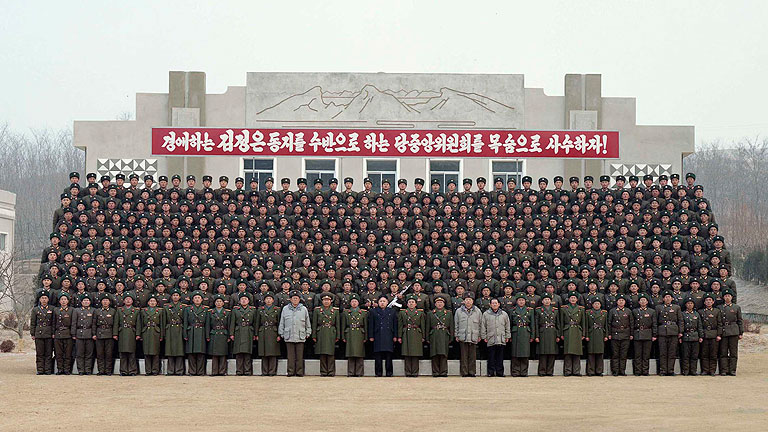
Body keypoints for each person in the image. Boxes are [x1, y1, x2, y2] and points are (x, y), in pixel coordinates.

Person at [279, 291, 312, 377]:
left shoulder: (303, 309)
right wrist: (281, 333)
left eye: (296, 298)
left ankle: (299, 372)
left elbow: (307, 322)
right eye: (293, 298)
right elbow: (282, 322)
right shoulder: (285, 309)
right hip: (289, 334)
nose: (295, 300)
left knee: (299, 356)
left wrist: (308, 332)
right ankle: (290, 371)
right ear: (290, 299)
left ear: (299, 299)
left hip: (300, 334)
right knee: (290, 356)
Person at [368, 295, 398, 377]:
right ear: (378, 302)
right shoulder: (373, 311)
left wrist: (395, 335)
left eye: (384, 301)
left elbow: (395, 324)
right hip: (377, 334)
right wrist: (371, 336)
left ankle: (389, 372)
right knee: (378, 355)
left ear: (387, 302)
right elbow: (371, 324)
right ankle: (378, 372)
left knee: (389, 355)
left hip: (389, 334)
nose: (382, 303)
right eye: (381, 301)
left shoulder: (392, 311)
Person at [312, 292, 341, 377]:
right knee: (322, 353)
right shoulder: (317, 310)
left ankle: (331, 371)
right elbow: (314, 323)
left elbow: (337, 324)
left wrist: (338, 335)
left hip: (331, 332)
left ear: (331, 301)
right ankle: (323, 371)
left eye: (328, 300)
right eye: (324, 300)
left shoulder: (335, 311)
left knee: (331, 353)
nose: (326, 301)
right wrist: (314, 335)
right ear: (322, 301)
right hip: (321, 332)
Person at [481, 298, 511, 377]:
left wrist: (507, 336)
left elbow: (507, 326)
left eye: (496, 303)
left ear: (499, 304)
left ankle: (500, 372)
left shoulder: (504, 314)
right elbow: (483, 326)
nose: (494, 304)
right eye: (493, 303)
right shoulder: (486, 314)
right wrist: (484, 336)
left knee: (500, 357)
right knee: (491, 357)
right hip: (490, 337)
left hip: (501, 338)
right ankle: (490, 372)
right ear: (490, 305)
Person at [656, 290, 683, 376]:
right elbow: (655, 321)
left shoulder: (676, 307)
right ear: (663, 299)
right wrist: (655, 332)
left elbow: (680, 320)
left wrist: (680, 331)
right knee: (662, 352)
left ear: (672, 298)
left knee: (672, 352)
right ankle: (663, 370)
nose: (667, 299)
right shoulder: (658, 308)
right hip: (662, 332)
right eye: (666, 297)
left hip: (673, 331)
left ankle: (670, 370)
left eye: (669, 297)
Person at [398, 295, 427, 377]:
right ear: (407, 304)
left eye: (413, 302)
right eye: (409, 302)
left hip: (416, 333)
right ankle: (408, 372)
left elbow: (423, 325)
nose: (411, 304)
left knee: (415, 353)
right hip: (406, 333)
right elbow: (400, 325)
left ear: (416, 304)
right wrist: (399, 336)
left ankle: (414, 372)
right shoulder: (402, 313)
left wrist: (423, 336)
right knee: (406, 353)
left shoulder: (420, 313)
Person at [454, 294, 482, 377]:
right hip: (463, 335)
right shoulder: (459, 311)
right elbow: (456, 324)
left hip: (474, 335)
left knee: (473, 355)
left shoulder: (477, 311)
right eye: (466, 299)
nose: (468, 301)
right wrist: (456, 335)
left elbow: (480, 324)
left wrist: (480, 335)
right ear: (464, 301)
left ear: (473, 301)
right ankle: (464, 372)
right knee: (463, 355)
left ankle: (472, 372)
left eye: (470, 300)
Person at [230, 293, 258, 376]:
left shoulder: (253, 310)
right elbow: (232, 322)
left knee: (247, 352)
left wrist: (255, 334)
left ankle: (247, 370)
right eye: (242, 299)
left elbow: (255, 323)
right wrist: (231, 333)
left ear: (248, 301)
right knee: (238, 352)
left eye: (245, 299)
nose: (244, 300)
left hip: (249, 331)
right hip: (238, 331)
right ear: (239, 301)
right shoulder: (235, 310)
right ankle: (239, 370)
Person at [114, 292, 141, 376]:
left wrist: (138, 334)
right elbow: (116, 323)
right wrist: (115, 334)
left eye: (130, 299)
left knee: (132, 352)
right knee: (122, 353)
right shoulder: (119, 310)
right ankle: (123, 371)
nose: (128, 300)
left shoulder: (136, 310)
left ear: (132, 301)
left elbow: (138, 323)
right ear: (123, 301)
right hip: (122, 332)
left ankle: (132, 370)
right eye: (126, 299)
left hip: (131, 332)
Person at [341, 294, 368, 377]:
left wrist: (366, 336)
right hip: (350, 333)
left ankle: (359, 372)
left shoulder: (363, 313)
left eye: (355, 301)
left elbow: (366, 326)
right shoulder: (346, 313)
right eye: (352, 301)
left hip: (360, 333)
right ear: (350, 303)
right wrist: (343, 336)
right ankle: (351, 372)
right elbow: (343, 325)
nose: (354, 303)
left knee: (359, 353)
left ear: (358, 303)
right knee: (350, 353)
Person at [560, 292, 586, 377]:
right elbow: (561, 322)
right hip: (568, 330)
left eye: (574, 298)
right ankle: (567, 370)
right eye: (571, 298)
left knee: (577, 351)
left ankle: (576, 371)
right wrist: (561, 333)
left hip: (577, 330)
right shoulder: (564, 308)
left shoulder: (581, 309)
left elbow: (583, 322)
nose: (573, 299)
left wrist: (583, 334)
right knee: (568, 352)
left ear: (577, 299)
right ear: (569, 299)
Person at [427, 294, 453, 377]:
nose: (439, 304)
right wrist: (427, 337)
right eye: (438, 302)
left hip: (444, 334)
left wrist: (451, 337)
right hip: (434, 334)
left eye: (441, 302)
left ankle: (443, 371)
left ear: (444, 304)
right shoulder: (430, 313)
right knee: (434, 354)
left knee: (443, 354)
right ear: (435, 304)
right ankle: (435, 372)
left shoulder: (448, 313)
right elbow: (427, 326)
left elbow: (451, 326)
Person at [256, 292, 281, 376]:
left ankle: (272, 371)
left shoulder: (277, 309)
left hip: (273, 331)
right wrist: (256, 334)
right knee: (264, 352)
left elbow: (279, 323)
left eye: (270, 298)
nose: (268, 300)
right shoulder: (260, 309)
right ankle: (264, 371)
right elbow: (257, 322)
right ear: (264, 300)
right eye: (267, 299)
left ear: (273, 300)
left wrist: (279, 334)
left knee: (273, 352)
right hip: (263, 331)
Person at [718, 289, 743, 376]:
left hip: (734, 331)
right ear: (723, 297)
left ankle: (732, 370)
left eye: (729, 296)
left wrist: (740, 332)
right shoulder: (719, 307)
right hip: (724, 331)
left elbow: (740, 320)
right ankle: (724, 370)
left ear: (732, 297)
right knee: (723, 352)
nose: (727, 297)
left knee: (733, 352)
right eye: (725, 296)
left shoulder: (736, 307)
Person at [535, 293, 560, 377]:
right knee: (543, 352)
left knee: (552, 352)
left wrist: (558, 335)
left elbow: (558, 323)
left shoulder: (555, 310)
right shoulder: (538, 310)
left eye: (548, 299)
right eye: (545, 299)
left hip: (552, 332)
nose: (547, 301)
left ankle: (550, 371)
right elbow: (536, 324)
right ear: (542, 301)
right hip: (543, 332)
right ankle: (542, 371)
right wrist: (537, 336)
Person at [608, 295, 633, 376]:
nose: (621, 302)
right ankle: (615, 371)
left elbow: (631, 323)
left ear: (625, 302)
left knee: (623, 354)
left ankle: (622, 370)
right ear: (616, 302)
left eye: (622, 300)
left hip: (625, 334)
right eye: (619, 300)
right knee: (615, 354)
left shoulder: (628, 311)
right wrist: (609, 334)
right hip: (615, 334)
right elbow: (609, 323)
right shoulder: (612, 311)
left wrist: (631, 334)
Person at [184, 291, 209, 376]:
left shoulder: (206, 309)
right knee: (191, 353)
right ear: (192, 299)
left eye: (199, 298)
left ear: (202, 299)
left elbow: (207, 324)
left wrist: (207, 335)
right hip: (191, 331)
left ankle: (200, 371)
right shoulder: (188, 309)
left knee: (201, 352)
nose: (197, 299)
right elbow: (185, 322)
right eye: (195, 298)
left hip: (201, 331)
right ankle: (192, 371)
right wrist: (185, 334)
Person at [30, 290, 55, 375]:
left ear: (48, 299)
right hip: (39, 333)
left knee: (48, 353)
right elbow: (33, 322)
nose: (44, 300)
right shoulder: (35, 309)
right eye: (42, 298)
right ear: (39, 299)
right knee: (40, 353)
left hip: (49, 333)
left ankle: (48, 370)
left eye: (45, 298)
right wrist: (32, 333)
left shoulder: (52, 308)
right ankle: (40, 369)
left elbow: (54, 322)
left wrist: (53, 333)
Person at [632, 293, 657, 376]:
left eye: (644, 300)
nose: (643, 302)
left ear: (647, 302)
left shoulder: (651, 311)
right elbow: (632, 323)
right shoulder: (635, 311)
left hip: (648, 333)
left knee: (646, 354)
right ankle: (638, 371)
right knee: (637, 354)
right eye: (641, 300)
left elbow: (654, 324)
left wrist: (654, 335)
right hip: (637, 333)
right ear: (639, 302)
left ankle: (645, 371)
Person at [508, 294, 533, 377]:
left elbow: (532, 324)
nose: (521, 302)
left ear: (525, 301)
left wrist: (532, 336)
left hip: (526, 332)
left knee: (525, 353)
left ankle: (524, 372)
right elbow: (509, 324)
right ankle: (515, 371)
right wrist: (509, 335)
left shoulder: (530, 310)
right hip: (516, 332)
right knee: (515, 353)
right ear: (517, 301)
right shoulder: (512, 310)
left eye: (523, 300)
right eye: (519, 300)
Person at [206, 294, 231, 376]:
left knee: (223, 353)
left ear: (223, 303)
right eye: (217, 301)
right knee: (214, 354)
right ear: (214, 303)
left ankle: (222, 371)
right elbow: (208, 325)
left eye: (220, 301)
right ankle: (214, 371)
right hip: (214, 333)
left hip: (223, 333)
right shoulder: (210, 312)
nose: (219, 303)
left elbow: (229, 325)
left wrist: (229, 335)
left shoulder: (227, 312)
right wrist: (207, 335)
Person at [699, 293, 723, 376]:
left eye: (710, 300)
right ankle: (705, 370)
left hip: (714, 334)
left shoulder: (717, 311)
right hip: (705, 334)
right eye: (707, 300)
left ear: (713, 302)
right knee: (704, 354)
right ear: (704, 302)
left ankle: (712, 370)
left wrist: (719, 335)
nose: (708, 302)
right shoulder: (700, 311)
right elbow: (699, 325)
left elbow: (720, 324)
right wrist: (701, 335)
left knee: (713, 354)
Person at [163, 289, 187, 375]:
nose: (175, 297)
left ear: (180, 297)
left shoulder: (184, 307)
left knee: (179, 350)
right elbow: (164, 321)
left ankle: (179, 370)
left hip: (180, 328)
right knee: (170, 350)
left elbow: (185, 320)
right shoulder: (166, 307)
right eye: (174, 295)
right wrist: (164, 332)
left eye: (177, 295)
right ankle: (170, 370)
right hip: (170, 329)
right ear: (171, 297)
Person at [140, 295, 165, 375]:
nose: (152, 303)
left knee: (155, 352)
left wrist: (162, 335)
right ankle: (148, 370)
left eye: (154, 301)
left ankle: (155, 370)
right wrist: (140, 334)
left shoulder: (160, 311)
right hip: (146, 332)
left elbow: (162, 324)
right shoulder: (143, 311)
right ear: (148, 302)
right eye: (151, 301)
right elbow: (140, 323)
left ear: (156, 303)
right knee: (146, 352)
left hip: (155, 331)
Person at [71, 294, 95, 375]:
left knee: (89, 353)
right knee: (79, 353)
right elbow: (74, 323)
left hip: (89, 333)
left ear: (90, 302)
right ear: (81, 302)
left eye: (87, 300)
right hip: (79, 333)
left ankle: (88, 370)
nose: (86, 302)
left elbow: (94, 323)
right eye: (84, 300)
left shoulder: (93, 310)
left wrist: (94, 333)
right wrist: (73, 334)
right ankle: (81, 370)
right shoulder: (77, 310)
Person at [93, 294, 116, 375]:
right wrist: (94, 334)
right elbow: (94, 323)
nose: (105, 302)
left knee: (109, 353)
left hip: (109, 333)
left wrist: (115, 334)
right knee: (100, 354)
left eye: (107, 300)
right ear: (101, 302)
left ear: (109, 302)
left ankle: (108, 370)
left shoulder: (113, 311)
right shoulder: (97, 311)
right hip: (99, 333)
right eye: (103, 300)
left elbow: (115, 324)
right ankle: (101, 370)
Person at [680, 297, 703, 376]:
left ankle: (693, 370)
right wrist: (681, 335)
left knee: (694, 355)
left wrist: (701, 336)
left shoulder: (696, 314)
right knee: (685, 355)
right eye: (688, 303)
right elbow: (681, 325)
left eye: (691, 303)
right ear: (685, 305)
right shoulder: (682, 314)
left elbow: (699, 326)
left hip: (695, 336)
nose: (690, 305)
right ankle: (685, 370)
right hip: (686, 336)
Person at [585, 298, 607, 376]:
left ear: (600, 305)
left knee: (600, 353)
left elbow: (606, 325)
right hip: (592, 333)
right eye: (595, 304)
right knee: (591, 353)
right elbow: (586, 325)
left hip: (600, 333)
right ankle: (590, 371)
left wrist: (606, 335)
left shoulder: (604, 313)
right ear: (592, 305)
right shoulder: (588, 313)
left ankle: (599, 371)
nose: (596, 305)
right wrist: (586, 335)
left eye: (598, 304)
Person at [53, 292, 74, 375]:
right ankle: (60, 369)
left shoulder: (71, 310)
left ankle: (67, 369)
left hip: (68, 334)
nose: (63, 301)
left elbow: (73, 323)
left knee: (68, 353)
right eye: (62, 299)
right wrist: (53, 333)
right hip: (58, 334)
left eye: (65, 299)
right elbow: (53, 323)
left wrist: (72, 334)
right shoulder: (56, 310)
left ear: (68, 301)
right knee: (59, 353)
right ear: (59, 301)